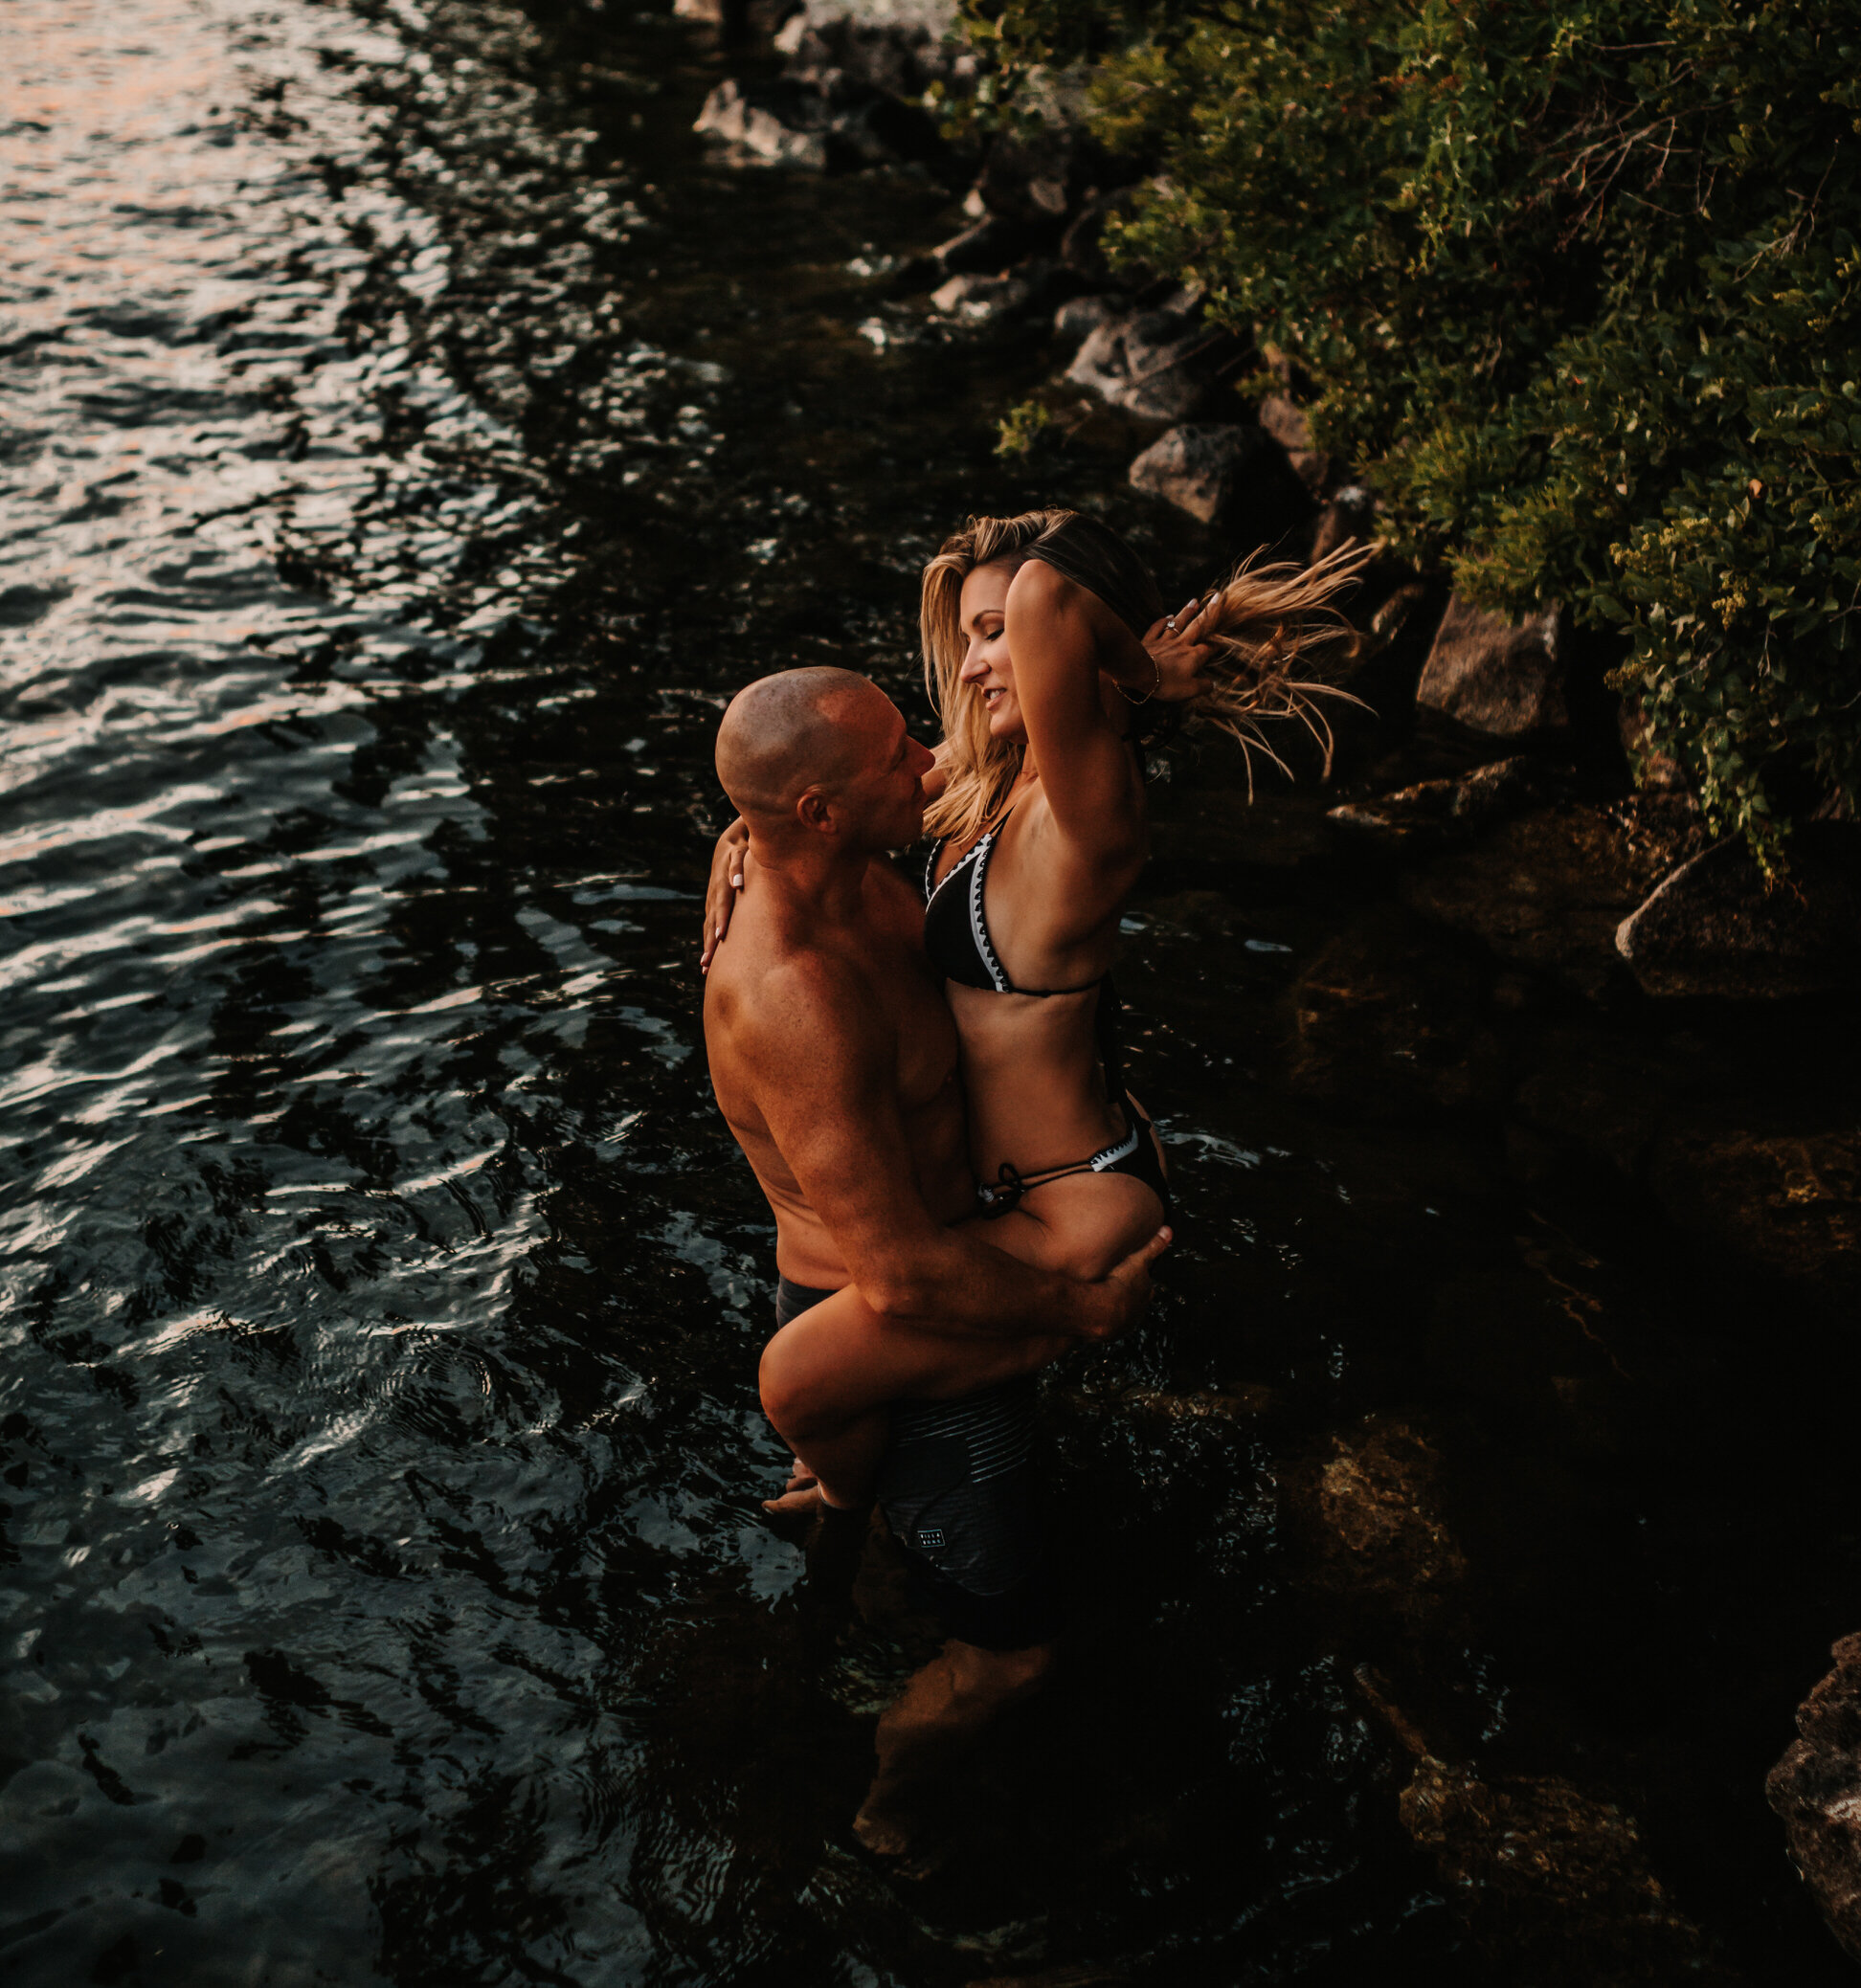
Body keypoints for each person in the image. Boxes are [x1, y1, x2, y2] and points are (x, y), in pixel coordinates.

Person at [706, 512, 1363, 1525]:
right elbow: (818, 803)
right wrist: (743, 837)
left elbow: (1053, 596)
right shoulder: (980, 786)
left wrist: (1144, 679)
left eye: (997, 631)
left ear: (1070, 637)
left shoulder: (1083, 813)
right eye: (967, 633)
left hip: (1072, 1202)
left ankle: (1032, 1372)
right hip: (1015, 1190)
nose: (972, 665)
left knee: (795, 1378)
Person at [702, 662, 1174, 1864]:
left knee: (891, 1532)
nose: (930, 762)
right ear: (817, 811)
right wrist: (1079, 1308)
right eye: (901, 756)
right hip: (904, 1325)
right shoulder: (795, 994)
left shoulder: (808, 855)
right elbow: (904, 1276)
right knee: (1014, 1654)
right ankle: (885, 1812)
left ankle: (841, 1541)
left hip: (928, 1278)